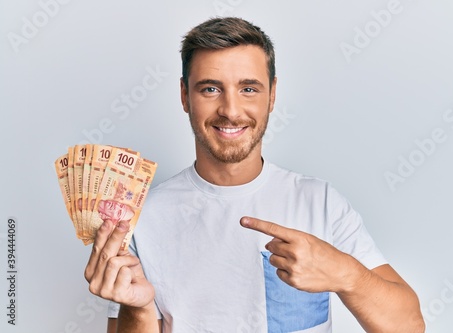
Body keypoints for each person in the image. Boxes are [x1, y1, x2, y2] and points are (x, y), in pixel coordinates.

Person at [84, 17, 425, 333]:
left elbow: (410, 326)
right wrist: (140, 310)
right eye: (210, 89)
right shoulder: (141, 219)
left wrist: (347, 275)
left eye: (248, 88)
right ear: (184, 96)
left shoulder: (320, 203)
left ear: (272, 95)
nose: (231, 111)